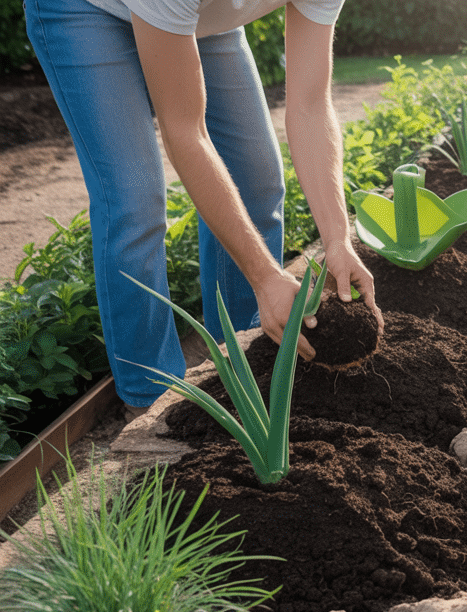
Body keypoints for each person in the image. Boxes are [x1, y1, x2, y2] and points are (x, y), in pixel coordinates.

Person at [24, 0, 383, 417]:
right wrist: (266, 276)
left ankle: (247, 362)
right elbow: (184, 134)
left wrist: (337, 238)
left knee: (257, 179)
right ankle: (153, 403)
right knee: (135, 202)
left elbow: (310, 105)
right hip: (83, 10)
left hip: (195, 20)